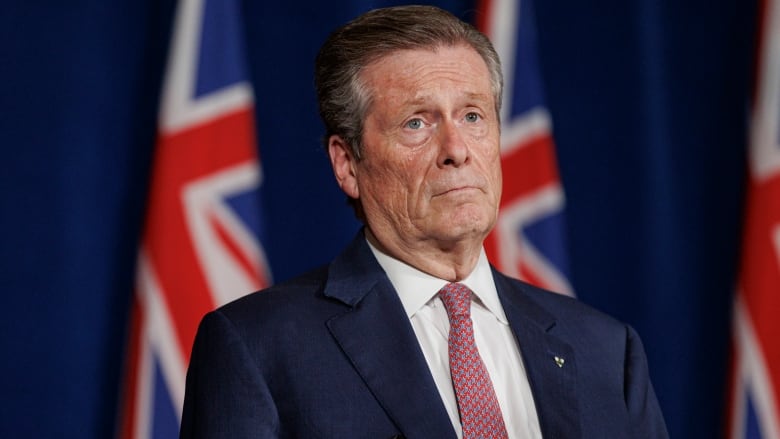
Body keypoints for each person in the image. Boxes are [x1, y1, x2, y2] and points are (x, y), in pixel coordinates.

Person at [180, 5, 668, 438]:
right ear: (347, 164)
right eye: (417, 122)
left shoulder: (606, 350)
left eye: (473, 116)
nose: (457, 150)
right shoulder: (258, 347)